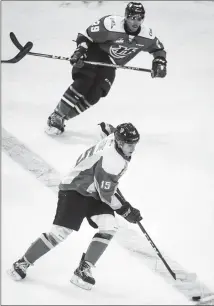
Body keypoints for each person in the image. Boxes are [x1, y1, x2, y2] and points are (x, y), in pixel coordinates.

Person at [8, 122, 143, 290]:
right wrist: (125, 210)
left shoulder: (113, 139)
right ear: (120, 142)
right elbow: (106, 195)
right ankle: (22, 263)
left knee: (109, 225)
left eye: (134, 143)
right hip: (74, 189)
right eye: (130, 144)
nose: (133, 148)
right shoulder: (112, 161)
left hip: (92, 190)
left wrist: (106, 128)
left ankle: (83, 269)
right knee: (59, 233)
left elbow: (105, 129)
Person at [46, 2, 167, 135]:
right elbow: (85, 35)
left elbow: (158, 49)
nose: (136, 22)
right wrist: (80, 51)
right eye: (133, 17)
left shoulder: (146, 35)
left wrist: (159, 62)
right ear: (126, 16)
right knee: (85, 81)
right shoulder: (110, 24)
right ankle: (56, 116)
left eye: (139, 18)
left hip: (111, 62)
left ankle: (63, 119)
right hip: (95, 52)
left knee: (96, 94)